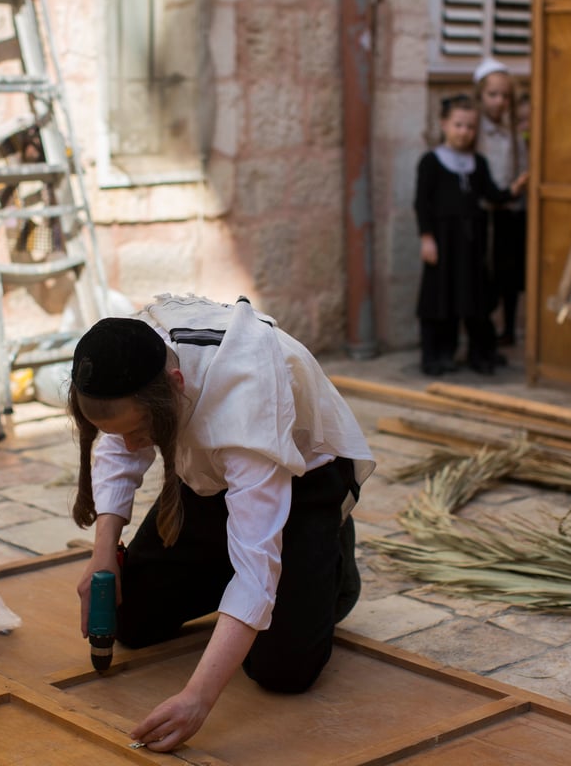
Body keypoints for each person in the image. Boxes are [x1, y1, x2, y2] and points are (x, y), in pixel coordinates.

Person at [67, 294, 376, 752]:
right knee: (126, 618)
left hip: (301, 483)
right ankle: (223, 577)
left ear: (176, 384)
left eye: (141, 433)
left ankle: (329, 562)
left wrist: (197, 698)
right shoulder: (130, 351)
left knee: (282, 670)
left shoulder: (247, 390)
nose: (133, 446)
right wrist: (102, 558)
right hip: (211, 481)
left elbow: (255, 569)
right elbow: (118, 446)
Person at [414, 93, 527, 376]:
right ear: (444, 124)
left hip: (471, 245)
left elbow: (492, 194)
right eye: (458, 125)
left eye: (470, 127)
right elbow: (422, 203)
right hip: (442, 242)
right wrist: (426, 237)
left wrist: (514, 189)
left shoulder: (478, 163)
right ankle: (438, 356)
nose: (464, 132)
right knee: (440, 300)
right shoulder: (431, 161)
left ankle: (481, 354)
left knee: (475, 299)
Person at [473, 59, 529, 348]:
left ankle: (508, 328)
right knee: (487, 272)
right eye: (493, 95)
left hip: (511, 208)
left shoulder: (513, 130)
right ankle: (483, 332)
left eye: (505, 96)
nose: (499, 102)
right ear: (481, 95)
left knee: (510, 272)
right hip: (486, 210)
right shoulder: (475, 130)